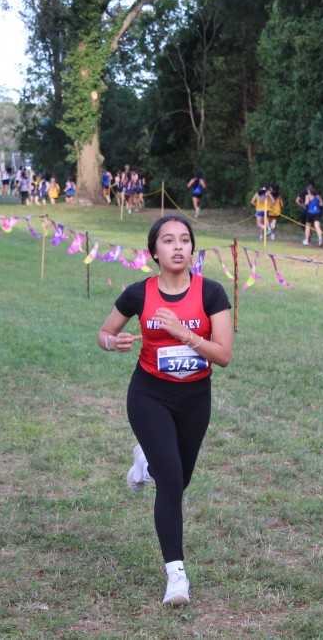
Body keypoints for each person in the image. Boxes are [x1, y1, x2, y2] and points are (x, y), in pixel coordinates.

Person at [97, 215, 233, 607]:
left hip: (195, 398)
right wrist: (112, 343)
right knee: (171, 482)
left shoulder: (212, 293)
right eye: (169, 240)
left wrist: (184, 333)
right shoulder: (139, 293)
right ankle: (176, 577)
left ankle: (146, 464)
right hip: (149, 394)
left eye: (185, 240)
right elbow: (103, 333)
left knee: (179, 478)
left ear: (192, 249)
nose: (178, 247)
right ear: (154, 251)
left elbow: (224, 354)